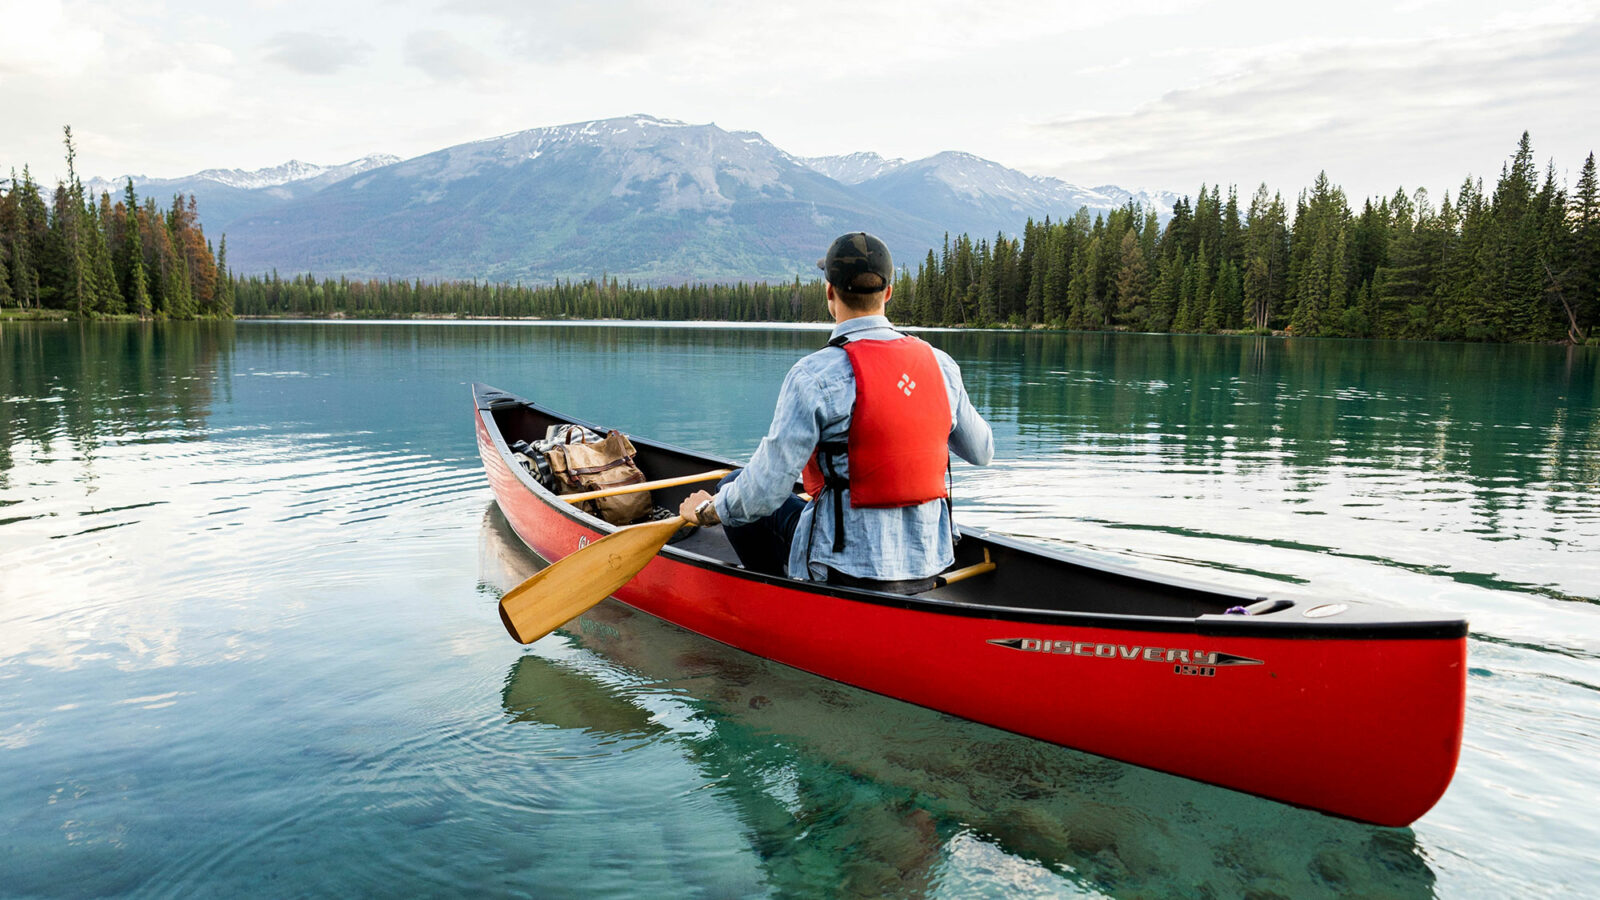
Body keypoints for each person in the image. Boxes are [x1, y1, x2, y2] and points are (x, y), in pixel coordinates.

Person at [678, 231, 993, 594]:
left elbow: (763, 493)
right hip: (930, 559)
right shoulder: (941, 366)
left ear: (829, 292)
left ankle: (779, 598)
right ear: (888, 293)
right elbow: (982, 452)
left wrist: (707, 511)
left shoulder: (815, 375)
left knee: (733, 485)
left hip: (845, 570)